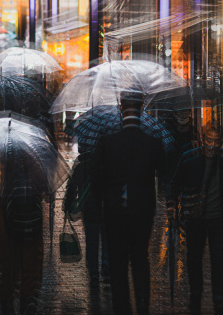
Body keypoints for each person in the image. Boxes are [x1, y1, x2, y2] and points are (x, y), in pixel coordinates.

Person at [91, 91, 167, 315]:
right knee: (140, 258)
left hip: (115, 211)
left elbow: (96, 179)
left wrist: (101, 202)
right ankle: (143, 303)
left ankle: (122, 306)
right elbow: (163, 173)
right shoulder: (152, 143)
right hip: (143, 211)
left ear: (121, 108)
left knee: (118, 262)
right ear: (142, 109)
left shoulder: (107, 143)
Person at [169, 124, 223, 315]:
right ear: (203, 139)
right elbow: (175, 185)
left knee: (219, 260)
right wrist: (172, 207)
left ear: (221, 142)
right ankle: (195, 294)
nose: (212, 144)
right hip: (196, 220)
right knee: (194, 259)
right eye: (209, 140)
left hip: (219, 220)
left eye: (217, 141)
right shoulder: (189, 159)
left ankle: (219, 298)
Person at [0, 165, 45, 315]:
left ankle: (7, 305)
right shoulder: (34, 162)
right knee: (30, 264)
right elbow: (44, 188)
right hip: (29, 219)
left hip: (4, 222)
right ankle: (27, 302)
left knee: (7, 266)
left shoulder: (0, 164)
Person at [64, 152, 108, 292]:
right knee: (107, 239)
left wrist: (68, 205)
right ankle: (106, 267)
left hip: (89, 209)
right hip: (106, 208)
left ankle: (94, 274)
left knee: (91, 240)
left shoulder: (81, 167)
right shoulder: (108, 164)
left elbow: (72, 188)